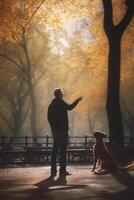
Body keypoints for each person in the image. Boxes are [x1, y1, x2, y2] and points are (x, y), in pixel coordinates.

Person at [48, 88, 83, 176]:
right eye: (62, 93)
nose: (62, 95)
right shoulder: (61, 102)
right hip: (63, 130)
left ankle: (53, 170)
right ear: (59, 95)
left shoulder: (51, 105)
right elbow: (70, 107)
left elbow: (49, 117)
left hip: (55, 130)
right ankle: (62, 170)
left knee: (55, 150)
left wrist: (53, 127)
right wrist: (77, 100)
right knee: (63, 150)